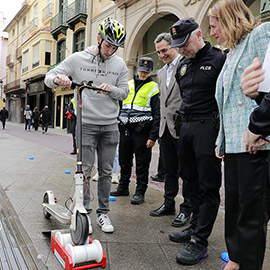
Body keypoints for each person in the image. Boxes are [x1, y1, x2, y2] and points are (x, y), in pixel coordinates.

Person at [44, 18, 129, 233]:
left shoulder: (119, 64)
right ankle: (84, 213)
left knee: (107, 172)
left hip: (110, 125)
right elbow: (49, 76)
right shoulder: (78, 59)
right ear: (99, 39)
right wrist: (58, 80)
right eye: (108, 45)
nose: (111, 51)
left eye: (115, 47)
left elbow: (125, 92)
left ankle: (103, 214)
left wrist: (112, 90)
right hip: (86, 124)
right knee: (85, 170)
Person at [208, 1, 270, 269]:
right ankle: (235, 259)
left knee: (251, 213)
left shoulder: (260, 34)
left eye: (213, 26)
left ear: (229, 19)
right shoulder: (230, 52)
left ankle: (245, 264)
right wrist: (221, 140)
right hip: (234, 144)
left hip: (257, 143)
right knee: (233, 207)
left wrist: (260, 128)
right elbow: (226, 101)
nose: (211, 33)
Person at [168, 17, 226, 265]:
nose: (181, 49)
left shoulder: (219, 60)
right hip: (187, 128)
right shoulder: (183, 64)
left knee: (208, 186)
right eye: (177, 45)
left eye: (184, 43)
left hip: (207, 127)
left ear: (199, 34)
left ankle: (200, 242)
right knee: (189, 181)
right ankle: (193, 228)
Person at [149, 32, 192, 228]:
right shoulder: (160, 72)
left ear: (173, 46)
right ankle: (168, 204)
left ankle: (187, 209)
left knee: (187, 171)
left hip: (182, 127)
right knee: (169, 170)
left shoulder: (187, 65)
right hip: (165, 128)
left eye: (164, 50)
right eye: (158, 52)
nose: (162, 55)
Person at [110, 57, 160, 205]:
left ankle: (140, 192)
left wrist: (153, 136)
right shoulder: (129, 85)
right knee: (124, 161)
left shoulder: (153, 87)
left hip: (142, 132)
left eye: (146, 72)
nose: (143, 74)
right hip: (125, 130)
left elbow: (157, 114)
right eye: (141, 71)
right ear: (137, 69)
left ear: (151, 71)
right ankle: (123, 187)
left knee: (142, 164)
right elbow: (119, 105)